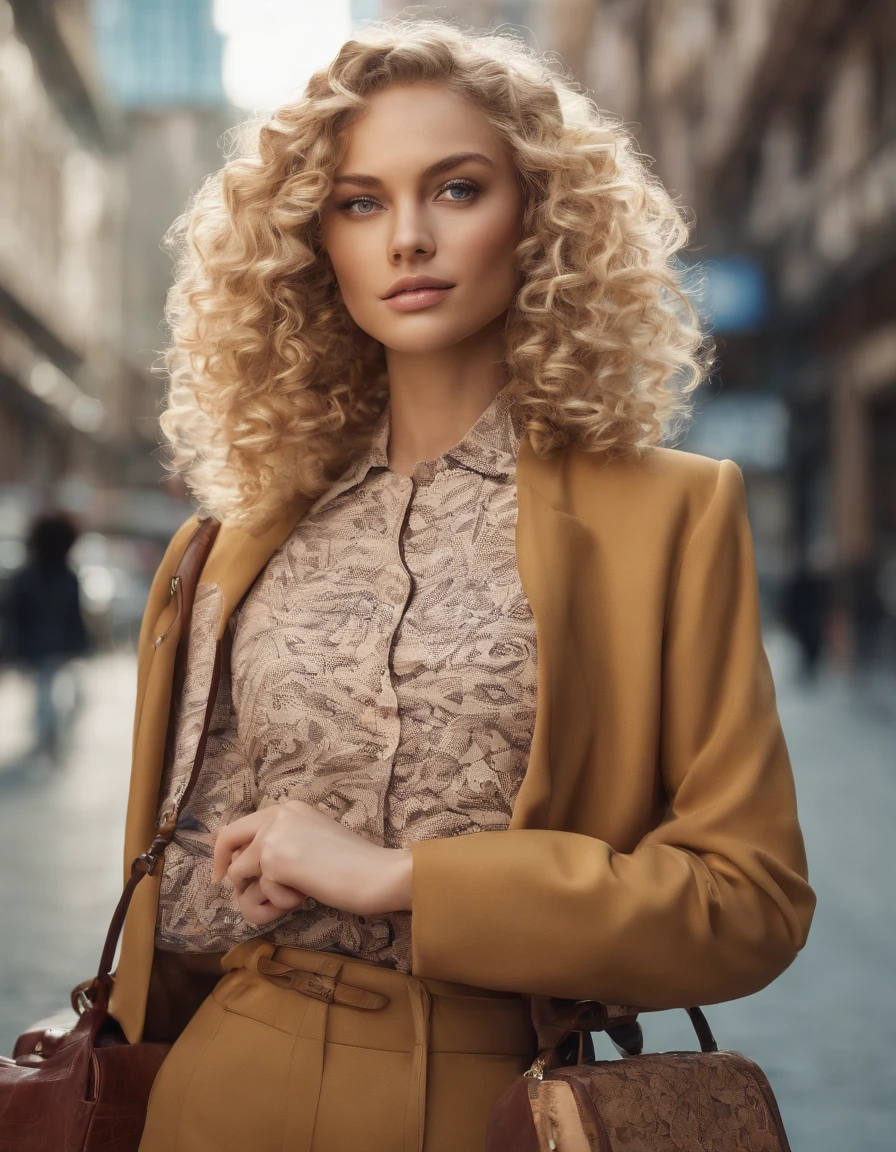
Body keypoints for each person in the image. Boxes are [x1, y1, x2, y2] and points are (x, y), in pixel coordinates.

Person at [109, 19, 815, 1151]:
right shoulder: (227, 543)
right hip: (220, 1092)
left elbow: (748, 903)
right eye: (357, 202)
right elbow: (175, 899)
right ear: (309, 241)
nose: (406, 238)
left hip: (501, 1105)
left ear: (538, 214)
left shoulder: (667, 513)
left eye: (456, 188)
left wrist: (405, 880)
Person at [1, 512, 90, 762]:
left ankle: (46, 739)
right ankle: (48, 740)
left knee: (44, 694)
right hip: (56, 646)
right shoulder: (66, 577)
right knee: (52, 694)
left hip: (36, 648)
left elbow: (12, 616)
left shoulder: (25, 577)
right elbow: (75, 616)